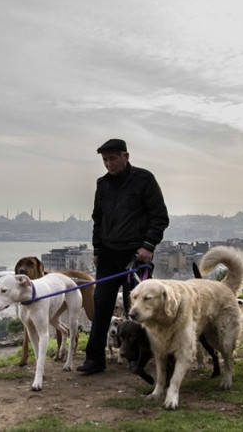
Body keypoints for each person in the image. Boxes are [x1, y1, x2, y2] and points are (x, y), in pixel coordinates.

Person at [76, 138, 169, 375]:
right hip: (108, 255)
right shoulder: (102, 184)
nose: (109, 163)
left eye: (113, 158)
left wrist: (148, 246)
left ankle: (137, 358)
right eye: (105, 160)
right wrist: (96, 250)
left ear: (125, 157)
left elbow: (159, 216)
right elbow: (98, 220)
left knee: (136, 309)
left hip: (135, 256)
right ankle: (95, 359)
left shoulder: (144, 179)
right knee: (101, 304)